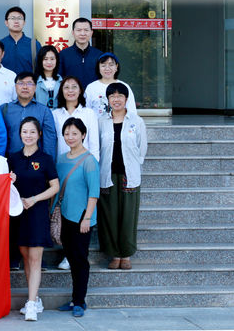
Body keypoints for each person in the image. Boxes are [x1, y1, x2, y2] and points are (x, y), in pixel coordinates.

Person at [8, 117, 60, 322]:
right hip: (18, 213)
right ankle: (35, 298)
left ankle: (30, 304)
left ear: (39, 134)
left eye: (32, 132)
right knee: (26, 257)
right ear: (19, 134)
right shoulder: (13, 158)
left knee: (36, 258)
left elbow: (55, 186)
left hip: (38, 213)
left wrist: (35, 199)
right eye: (24, 132)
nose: (28, 135)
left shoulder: (45, 159)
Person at [97, 82, 147, 271]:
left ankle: (125, 254)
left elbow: (142, 147)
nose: (116, 99)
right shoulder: (101, 121)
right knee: (109, 215)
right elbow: (97, 147)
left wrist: (135, 165)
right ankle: (114, 254)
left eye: (120, 96)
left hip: (129, 175)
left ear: (126, 99)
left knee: (128, 215)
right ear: (108, 100)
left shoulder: (136, 121)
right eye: (112, 96)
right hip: (107, 174)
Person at [56, 117, 100, 318]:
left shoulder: (89, 160)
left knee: (80, 260)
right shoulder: (61, 159)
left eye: (74, 133)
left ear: (83, 135)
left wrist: (87, 218)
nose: (70, 137)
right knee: (72, 258)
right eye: (67, 133)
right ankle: (75, 299)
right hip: (64, 216)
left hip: (82, 218)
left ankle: (80, 301)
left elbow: (94, 192)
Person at [1, 72, 58, 162]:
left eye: (29, 83)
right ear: (15, 87)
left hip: (36, 163)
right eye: (21, 83)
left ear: (35, 87)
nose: (25, 87)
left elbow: (49, 141)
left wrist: (48, 164)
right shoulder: (4, 109)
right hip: (10, 161)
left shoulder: (44, 111)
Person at [53, 76, 100, 160]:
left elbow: (94, 145)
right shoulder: (55, 114)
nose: (70, 90)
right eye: (66, 87)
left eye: (74, 87)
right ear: (61, 91)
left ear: (80, 90)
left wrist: (93, 164)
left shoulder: (89, 113)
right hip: (62, 163)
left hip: (84, 163)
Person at [85, 53, 138, 118]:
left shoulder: (124, 86)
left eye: (111, 65)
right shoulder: (91, 88)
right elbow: (86, 112)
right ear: (98, 68)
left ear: (116, 67)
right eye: (103, 65)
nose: (107, 68)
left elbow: (132, 112)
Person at [58, 17, 103, 89]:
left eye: (86, 30)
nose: (82, 33)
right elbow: (59, 79)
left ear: (91, 33)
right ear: (73, 32)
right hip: (70, 94)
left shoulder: (99, 55)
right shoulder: (63, 55)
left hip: (93, 95)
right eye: (79, 30)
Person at [1, 6, 42, 75]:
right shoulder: (0, 44)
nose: (16, 21)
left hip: (28, 81)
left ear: (24, 22)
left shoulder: (34, 44)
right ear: (6, 23)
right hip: (4, 81)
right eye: (12, 18)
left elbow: (41, 68)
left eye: (19, 18)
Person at [34, 45, 62, 110]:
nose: (49, 62)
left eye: (52, 59)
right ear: (40, 61)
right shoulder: (34, 80)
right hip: (39, 115)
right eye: (45, 59)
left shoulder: (61, 81)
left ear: (56, 60)